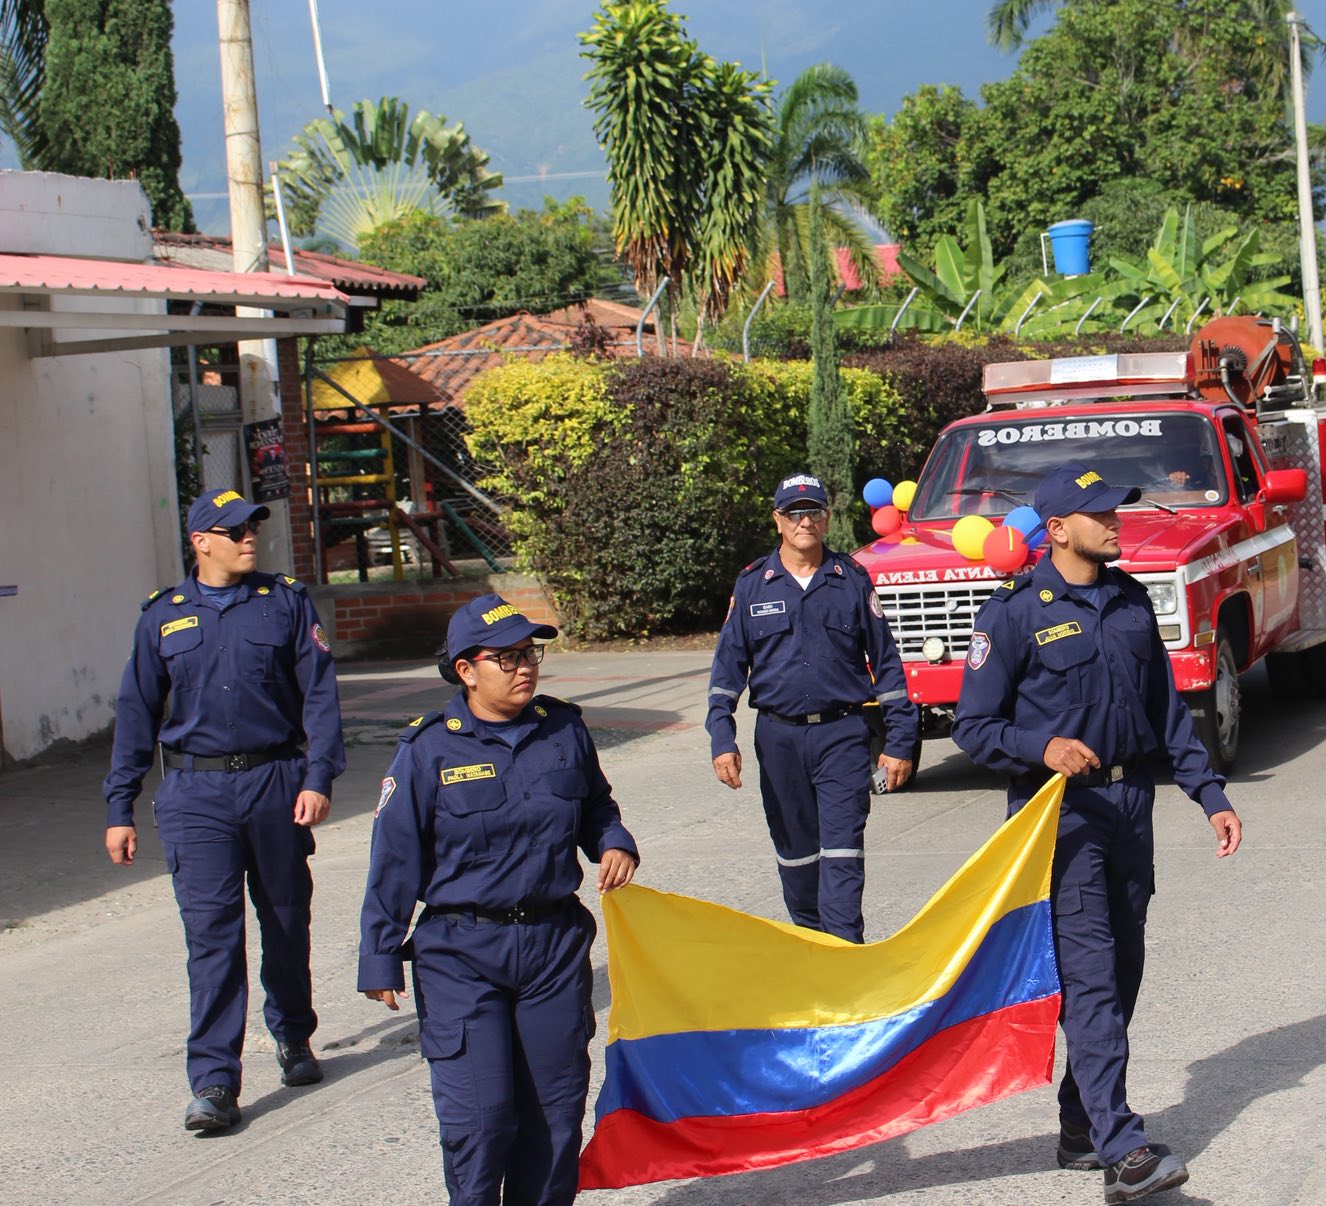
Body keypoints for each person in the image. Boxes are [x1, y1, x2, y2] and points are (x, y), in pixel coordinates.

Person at [954, 466, 1244, 1205]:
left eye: (1116, 508)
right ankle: (1123, 1147)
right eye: (1098, 512)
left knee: (1123, 974)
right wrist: (1041, 747)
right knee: (1089, 977)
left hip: (1129, 807)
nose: (1115, 520)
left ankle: (1082, 1126)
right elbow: (974, 727)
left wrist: (1209, 794)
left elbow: (1168, 713)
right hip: (1060, 818)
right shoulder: (1013, 614)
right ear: (1056, 529)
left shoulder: (1129, 601)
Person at [359, 595, 638, 1206]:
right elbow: (395, 858)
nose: (524, 667)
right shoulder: (428, 749)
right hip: (461, 952)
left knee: (555, 1119)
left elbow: (594, 803)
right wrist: (378, 954)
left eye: (530, 653)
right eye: (506, 657)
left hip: (552, 948)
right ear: (466, 669)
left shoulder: (562, 727)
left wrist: (614, 842)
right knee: (480, 1125)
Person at [104, 490, 345, 1133]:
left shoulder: (285, 602)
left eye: (251, 528)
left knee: (287, 920)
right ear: (200, 541)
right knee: (212, 940)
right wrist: (119, 805)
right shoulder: (163, 617)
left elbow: (320, 697)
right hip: (195, 795)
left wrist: (318, 775)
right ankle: (214, 1080)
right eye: (233, 529)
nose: (249, 538)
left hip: (274, 781)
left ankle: (293, 1033)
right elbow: (135, 714)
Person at [706, 473, 917, 943]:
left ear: (827, 518)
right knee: (797, 858)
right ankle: (812, 944)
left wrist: (901, 740)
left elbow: (886, 664)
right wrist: (723, 739)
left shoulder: (852, 580)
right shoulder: (753, 585)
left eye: (814, 512)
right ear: (778, 520)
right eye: (795, 513)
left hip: (841, 737)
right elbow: (726, 673)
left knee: (843, 853)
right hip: (778, 740)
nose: (805, 521)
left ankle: (845, 955)